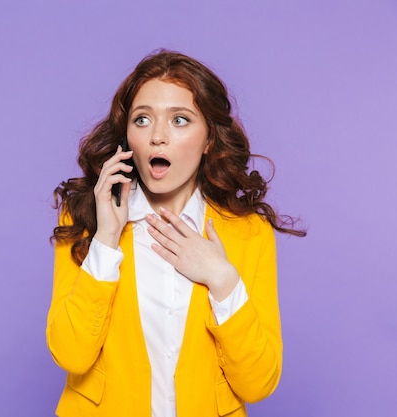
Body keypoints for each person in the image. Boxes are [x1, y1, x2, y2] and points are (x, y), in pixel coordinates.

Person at [47, 49, 305, 417]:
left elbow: (258, 384)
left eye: (180, 120)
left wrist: (222, 278)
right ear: (127, 137)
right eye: (142, 120)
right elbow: (71, 353)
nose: (157, 137)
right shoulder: (84, 216)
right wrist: (106, 238)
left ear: (209, 140)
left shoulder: (248, 232)